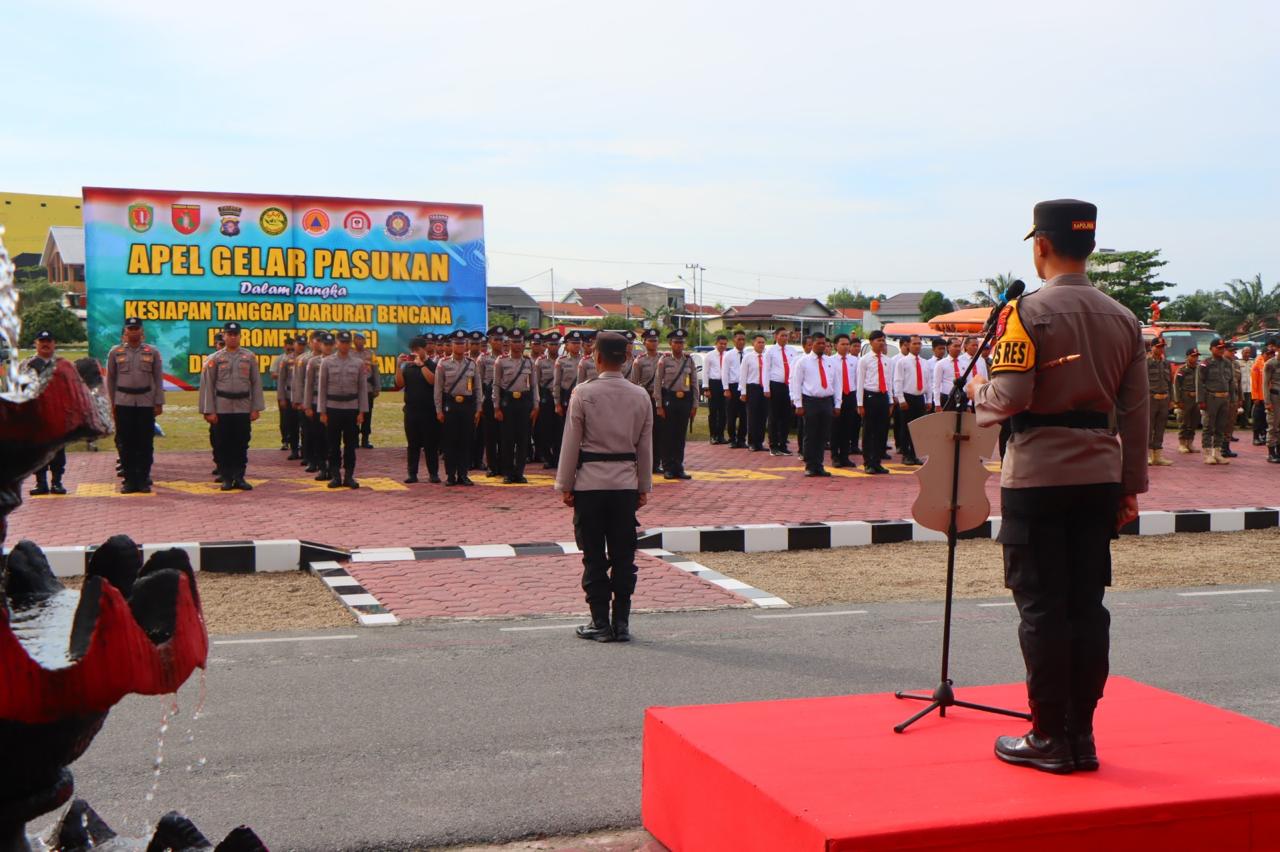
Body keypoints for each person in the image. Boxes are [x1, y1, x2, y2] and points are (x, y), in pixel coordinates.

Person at [967, 198, 1147, 774]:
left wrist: (977, 396)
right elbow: (1138, 413)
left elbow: (1011, 397)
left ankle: (1048, 736)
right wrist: (1129, 486)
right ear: (1089, 247)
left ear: (1040, 245)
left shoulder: (1026, 312)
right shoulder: (1124, 317)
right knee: (1086, 606)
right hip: (1099, 475)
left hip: (1039, 475)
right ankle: (1083, 734)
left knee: (1042, 608)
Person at [555, 330, 654, 643]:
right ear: (626, 358)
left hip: (591, 484)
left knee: (594, 555)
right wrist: (643, 486)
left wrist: (565, 484)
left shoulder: (584, 393)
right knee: (625, 555)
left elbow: (570, 443)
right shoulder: (640, 395)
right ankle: (621, 622)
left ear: (596, 357)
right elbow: (645, 446)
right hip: (625, 484)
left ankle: (600, 622)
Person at [198, 321, 265, 491]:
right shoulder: (215, 359)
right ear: (224, 336)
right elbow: (208, 386)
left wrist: (256, 407)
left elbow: (256, 383)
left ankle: (239, 477)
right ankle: (227, 477)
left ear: (240, 336)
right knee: (223, 443)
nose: (233, 337)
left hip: (243, 406)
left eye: (236, 334)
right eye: (229, 334)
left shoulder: (249, 357)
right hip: (222, 407)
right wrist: (209, 410)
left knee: (242, 443)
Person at [106, 317, 165, 494]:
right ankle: (129, 480)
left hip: (146, 402)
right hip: (123, 402)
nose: (133, 332)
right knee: (126, 443)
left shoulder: (152, 352)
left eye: (136, 328)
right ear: (125, 332)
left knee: (145, 443)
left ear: (142, 331)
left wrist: (158, 402)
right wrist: (112, 404)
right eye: (130, 329)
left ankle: (143, 479)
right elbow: (110, 379)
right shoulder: (115, 352)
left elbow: (157, 378)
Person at [318, 330, 370, 488]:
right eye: (342, 342)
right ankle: (335, 476)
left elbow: (362, 389)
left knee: (350, 445)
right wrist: (322, 411)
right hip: (333, 408)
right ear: (336, 343)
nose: (344, 345)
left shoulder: (358, 363)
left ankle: (349, 476)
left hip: (351, 408)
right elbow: (322, 388)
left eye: (347, 342)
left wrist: (362, 411)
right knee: (333, 445)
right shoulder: (326, 362)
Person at [23, 331, 69, 495]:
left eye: (48, 341)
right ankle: (40, 482)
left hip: (57, 413)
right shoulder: (26, 365)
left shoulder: (63, 365)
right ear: (35, 343)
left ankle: (57, 482)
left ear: (54, 343)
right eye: (42, 341)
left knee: (57, 450)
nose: (45, 344)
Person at [435, 329, 482, 486]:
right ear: (452, 345)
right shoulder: (443, 364)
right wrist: (439, 410)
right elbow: (438, 389)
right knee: (450, 442)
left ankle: (463, 474)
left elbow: (477, 388)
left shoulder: (472, 364)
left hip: (467, 406)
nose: (460, 346)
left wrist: (478, 408)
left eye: (462, 343)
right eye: (457, 343)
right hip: (451, 405)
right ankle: (450, 475)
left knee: (465, 440)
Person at [789, 331, 838, 476]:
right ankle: (810, 465)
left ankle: (819, 464)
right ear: (812, 344)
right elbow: (795, 383)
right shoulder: (803, 362)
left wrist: (837, 404)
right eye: (818, 343)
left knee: (823, 435)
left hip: (826, 400)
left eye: (824, 343)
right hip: (810, 400)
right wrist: (798, 403)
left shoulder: (831, 362)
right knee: (811, 434)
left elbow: (837, 383)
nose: (822, 346)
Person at [653, 328, 699, 479]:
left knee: (680, 435)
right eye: (676, 343)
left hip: (684, 400)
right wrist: (659, 405)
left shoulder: (689, 360)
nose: (679, 345)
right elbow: (658, 383)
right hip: (669, 399)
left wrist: (694, 404)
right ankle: (667, 467)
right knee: (668, 435)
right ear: (670, 344)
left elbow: (694, 384)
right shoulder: (664, 360)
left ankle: (679, 466)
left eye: (681, 343)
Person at [493, 328, 538, 484]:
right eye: (514, 341)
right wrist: (496, 407)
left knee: (523, 439)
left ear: (523, 343)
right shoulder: (501, 361)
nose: (517, 345)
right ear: (509, 343)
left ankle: (519, 472)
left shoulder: (529, 362)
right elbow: (496, 384)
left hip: (524, 402)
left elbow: (534, 385)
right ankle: (508, 473)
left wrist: (535, 405)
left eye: (520, 342)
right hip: (508, 403)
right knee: (507, 440)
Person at [398, 335, 440, 483]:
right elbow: (399, 384)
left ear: (424, 349)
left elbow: (433, 381)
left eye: (418, 350)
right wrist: (398, 366)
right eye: (413, 350)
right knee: (412, 444)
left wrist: (422, 365)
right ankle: (412, 473)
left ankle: (433, 473)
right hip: (411, 411)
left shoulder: (433, 365)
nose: (415, 353)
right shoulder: (408, 366)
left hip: (429, 412)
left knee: (431, 444)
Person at [1198, 338, 1240, 465]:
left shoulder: (1228, 363)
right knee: (1208, 427)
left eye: (1222, 348)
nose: (1221, 350)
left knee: (1221, 426)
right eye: (1218, 348)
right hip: (1211, 398)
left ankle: (1217, 453)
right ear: (1211, 349)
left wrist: (1233, 399)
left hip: (1225, 398)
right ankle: (1207, 453)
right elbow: (1200, 383)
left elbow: (1231, 382)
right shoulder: (1205, 363)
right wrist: (1201, 401)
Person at [856, 330, 892, 474]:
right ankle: (868, 462)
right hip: (870, 397)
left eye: (883, 340)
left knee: (882, 431)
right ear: (871, 342)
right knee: (869, 431)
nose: (881, 343)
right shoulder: (864, 360)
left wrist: (891, 402)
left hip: (883, 396)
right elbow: (859, 382)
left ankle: (877, 461)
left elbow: (889, 381)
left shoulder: (887, 360)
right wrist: (860, 404)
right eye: (878, 340)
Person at [628, 328, 664, 471]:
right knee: (643, 431)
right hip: (644, 397)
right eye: (650, 341)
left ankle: (656, 462)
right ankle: (642, 461)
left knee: (659, 431)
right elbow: (634, 383)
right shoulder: (639, 360)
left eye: (655, 341)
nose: (653, 343)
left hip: (659, 398)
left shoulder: (664, 358)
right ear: (644, 342)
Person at [891, 334, 928, 466]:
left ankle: (914, 454)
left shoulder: (924, 362)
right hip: (907, 397)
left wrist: (928, 399)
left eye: (919, 344)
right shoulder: (902, 362)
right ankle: (906, 454)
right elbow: (898, 381)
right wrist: (900, 398)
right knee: (906, 428)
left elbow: (927, 382)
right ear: (908, 345)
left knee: (918, 429)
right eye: (914, 344)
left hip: (920, 398)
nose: (917, 346)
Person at [830, 333, 861, 466]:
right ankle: (835, 456)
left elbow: (858, 381)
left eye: (847, 344)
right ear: (835, 345)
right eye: (842, 344)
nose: (846, 347)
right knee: (835, 428)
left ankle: (844, 456)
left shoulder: (855, 361)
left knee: (848, 427)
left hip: (850, 396)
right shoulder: (830, 361)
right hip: (835, 396)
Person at [763, 328, 794, 456]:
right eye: (782, 336)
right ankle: (773, 445)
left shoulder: (792, 351)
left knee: (786, 417)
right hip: (775, 386)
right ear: (776, 336)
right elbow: (766, 370)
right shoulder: (770, 351)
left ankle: (783, 445)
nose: (785, 338)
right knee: (774, 417)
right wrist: (766, 388)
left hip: (788, 386)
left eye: (786, 336)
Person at [737, 332, 769, 452]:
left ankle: (760, 442)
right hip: (752, 388)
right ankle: (751, 442)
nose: (761, 345)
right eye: (759, 342)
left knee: (763, 416)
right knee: (752, 416)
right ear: (753, 343)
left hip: (764, 389)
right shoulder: (748, 357)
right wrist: (743, 392)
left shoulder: (767, 356)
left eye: (763, 342)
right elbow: (743, 376)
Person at [1146, 338, 1174, 466]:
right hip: (1151, 399)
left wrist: (1172, 399)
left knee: (1160, 428)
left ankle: (1158, 455)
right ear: (1152, 347)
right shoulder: (1145, 363)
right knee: (1148, 428)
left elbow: (1170, 383)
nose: (1161, 349)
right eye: (1158, 346)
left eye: (1162, 346)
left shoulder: (1166, 364)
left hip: (1164, 399)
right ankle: (1147, 455)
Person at [353, 332, 380, 448]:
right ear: (354, 341)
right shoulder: (349, 353)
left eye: (361, 339)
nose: (359, 341)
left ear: (365, 341)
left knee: (367, 415)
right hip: (353, 389)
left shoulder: (370, 353)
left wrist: (377, 387)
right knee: (353, 414)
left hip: (368, 388)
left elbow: (375, 371)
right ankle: (353, 439)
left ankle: (365, 439)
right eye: (357, 339)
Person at [722, 330, 748, 448]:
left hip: (744, 387)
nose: (741, 342)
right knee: (731, 414)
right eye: (739, 339)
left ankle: (742, 439)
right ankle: (732, 439)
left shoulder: (748, 355)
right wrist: (726, 389)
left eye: (743, 339)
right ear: (734, 340)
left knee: (744, 415)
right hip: (732, 387)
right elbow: (724, 373)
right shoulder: (729, 355)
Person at [1173, 347, 1201, 454]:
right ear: (1187, 357)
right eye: (1193, 356)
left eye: (1197, 356)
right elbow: (1176, 386)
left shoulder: (1199, 369)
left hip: (1197, 399)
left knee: (1194, 422)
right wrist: (1177, 400)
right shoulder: (1182, 370)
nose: (1195, 358)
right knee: (1183, 422)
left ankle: (1190, 443)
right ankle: (1182, 444)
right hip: (1185, 398)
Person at [277, 337, 301, 460]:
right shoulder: (286, 359)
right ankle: (294, 449)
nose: (300, 347)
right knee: (292, 424)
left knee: (306, 426)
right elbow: (281, 380)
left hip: (303, 397)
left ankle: (307, 452)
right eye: (298, 344)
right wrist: (281, 397)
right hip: (289, 395)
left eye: (303, 344)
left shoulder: (309, 358)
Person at [704, 335, 730, 444]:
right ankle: (713, 436)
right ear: (716, 343)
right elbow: (705, 372)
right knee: (713, 412)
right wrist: (706, 388)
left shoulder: (728, 355)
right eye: (721, 344)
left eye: (725, 344)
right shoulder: (709, 355)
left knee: (724, 412)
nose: (723, 346)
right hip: (713, 384)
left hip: (724, 384)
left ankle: (720, 435)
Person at [1251, 343, 1272, 446]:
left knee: (1265, 419)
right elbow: (1254, 383)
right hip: (1259, 396)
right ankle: (1255, 437)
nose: (1270, 356)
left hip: (1268, 396)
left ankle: (1263, 435)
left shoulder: (1270, 364)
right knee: (1257, 418)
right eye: (1268, 354)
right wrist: (1255, 397)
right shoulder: (1257, 366)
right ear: (1263, 354)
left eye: (1271, 354)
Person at [1264, 338, 1280, 463]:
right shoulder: (1270, 363)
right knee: (1273, 425)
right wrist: (1267, 402)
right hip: (1274, 396)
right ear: (1277, 349)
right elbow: (1265, 384)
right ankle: (1271, 452)